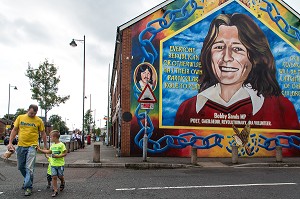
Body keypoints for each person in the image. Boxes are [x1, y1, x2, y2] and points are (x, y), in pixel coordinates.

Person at [175, 13, 299, 130]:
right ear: (208, 54)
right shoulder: (187, 109)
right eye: (219, 47)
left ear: (255, 57)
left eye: (237, 48)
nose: (226, 57)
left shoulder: (281, 108)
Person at [7, 104, 47, 196]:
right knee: (20, 166)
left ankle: (28, 187)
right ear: (28, 110)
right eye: (31, 113)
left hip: (32, 146)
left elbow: (43, 133)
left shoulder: (39, 120)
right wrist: (10, 143)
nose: (32, 115)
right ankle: (27, 180)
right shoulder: (20, 117)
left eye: (34, 114)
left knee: (29, 167)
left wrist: (45, 146)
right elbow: (14, 130)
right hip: (21, 145)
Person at [37, 130, 67, 197]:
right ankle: (55, 190)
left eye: (51, 137)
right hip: (53, 164)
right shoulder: (52, 145)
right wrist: (40, 150)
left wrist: (58, 156)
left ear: (55, 137)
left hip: (60, 164)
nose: (50, 138)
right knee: (54, 177)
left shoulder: (61, 145)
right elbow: (49, 151)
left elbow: (65, 153)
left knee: (60, 176)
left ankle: (62, 182)